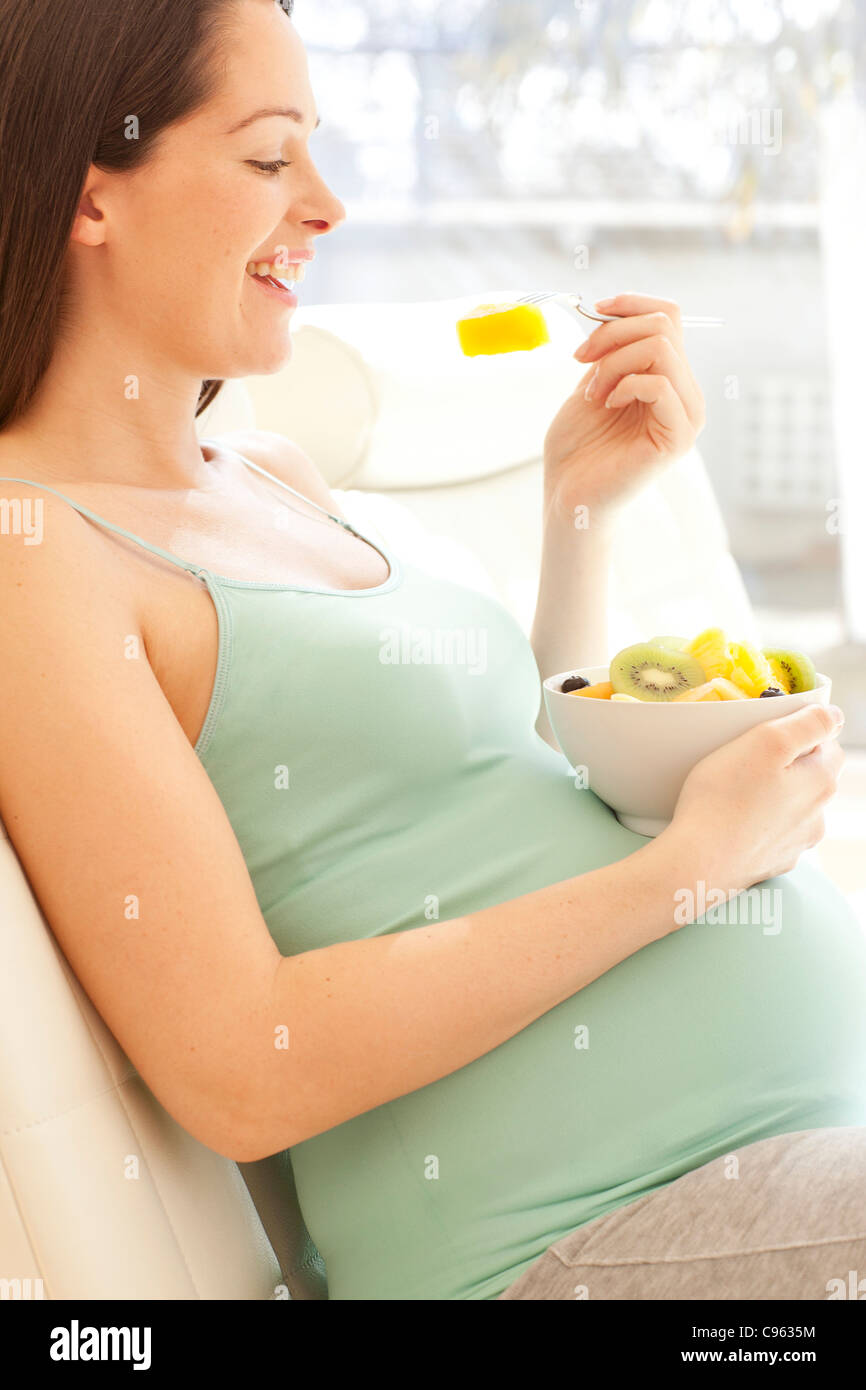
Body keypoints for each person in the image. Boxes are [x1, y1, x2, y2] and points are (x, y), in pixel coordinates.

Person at [0, 0, 863, 1302]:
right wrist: (688, 872)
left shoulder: (277, 473)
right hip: (572, 1233)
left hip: (782, 1164)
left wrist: (576, 513)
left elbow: (496, 778)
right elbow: (240, 1065)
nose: (328, 204)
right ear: (92, 194)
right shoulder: (35, 555)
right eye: (269, 155)